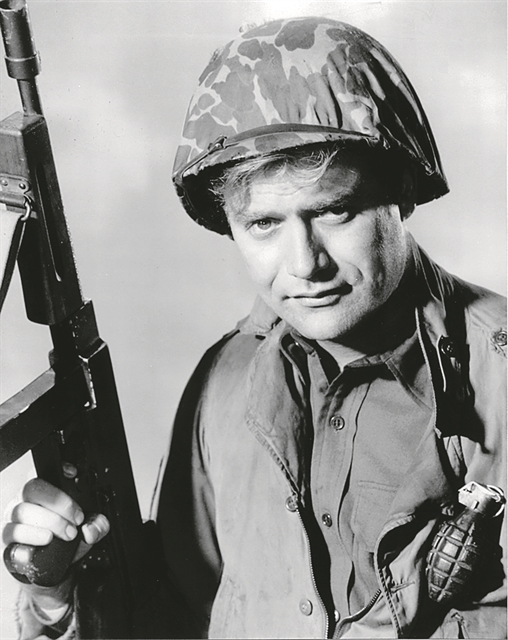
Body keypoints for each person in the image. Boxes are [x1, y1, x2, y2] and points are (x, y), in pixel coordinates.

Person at [2, 16, 506, 640]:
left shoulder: (498, 378)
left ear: (401, 192)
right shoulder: (225, 382)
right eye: (264, 224)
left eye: (335, 211)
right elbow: (176, 617)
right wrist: (57, 600)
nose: (305, 265)